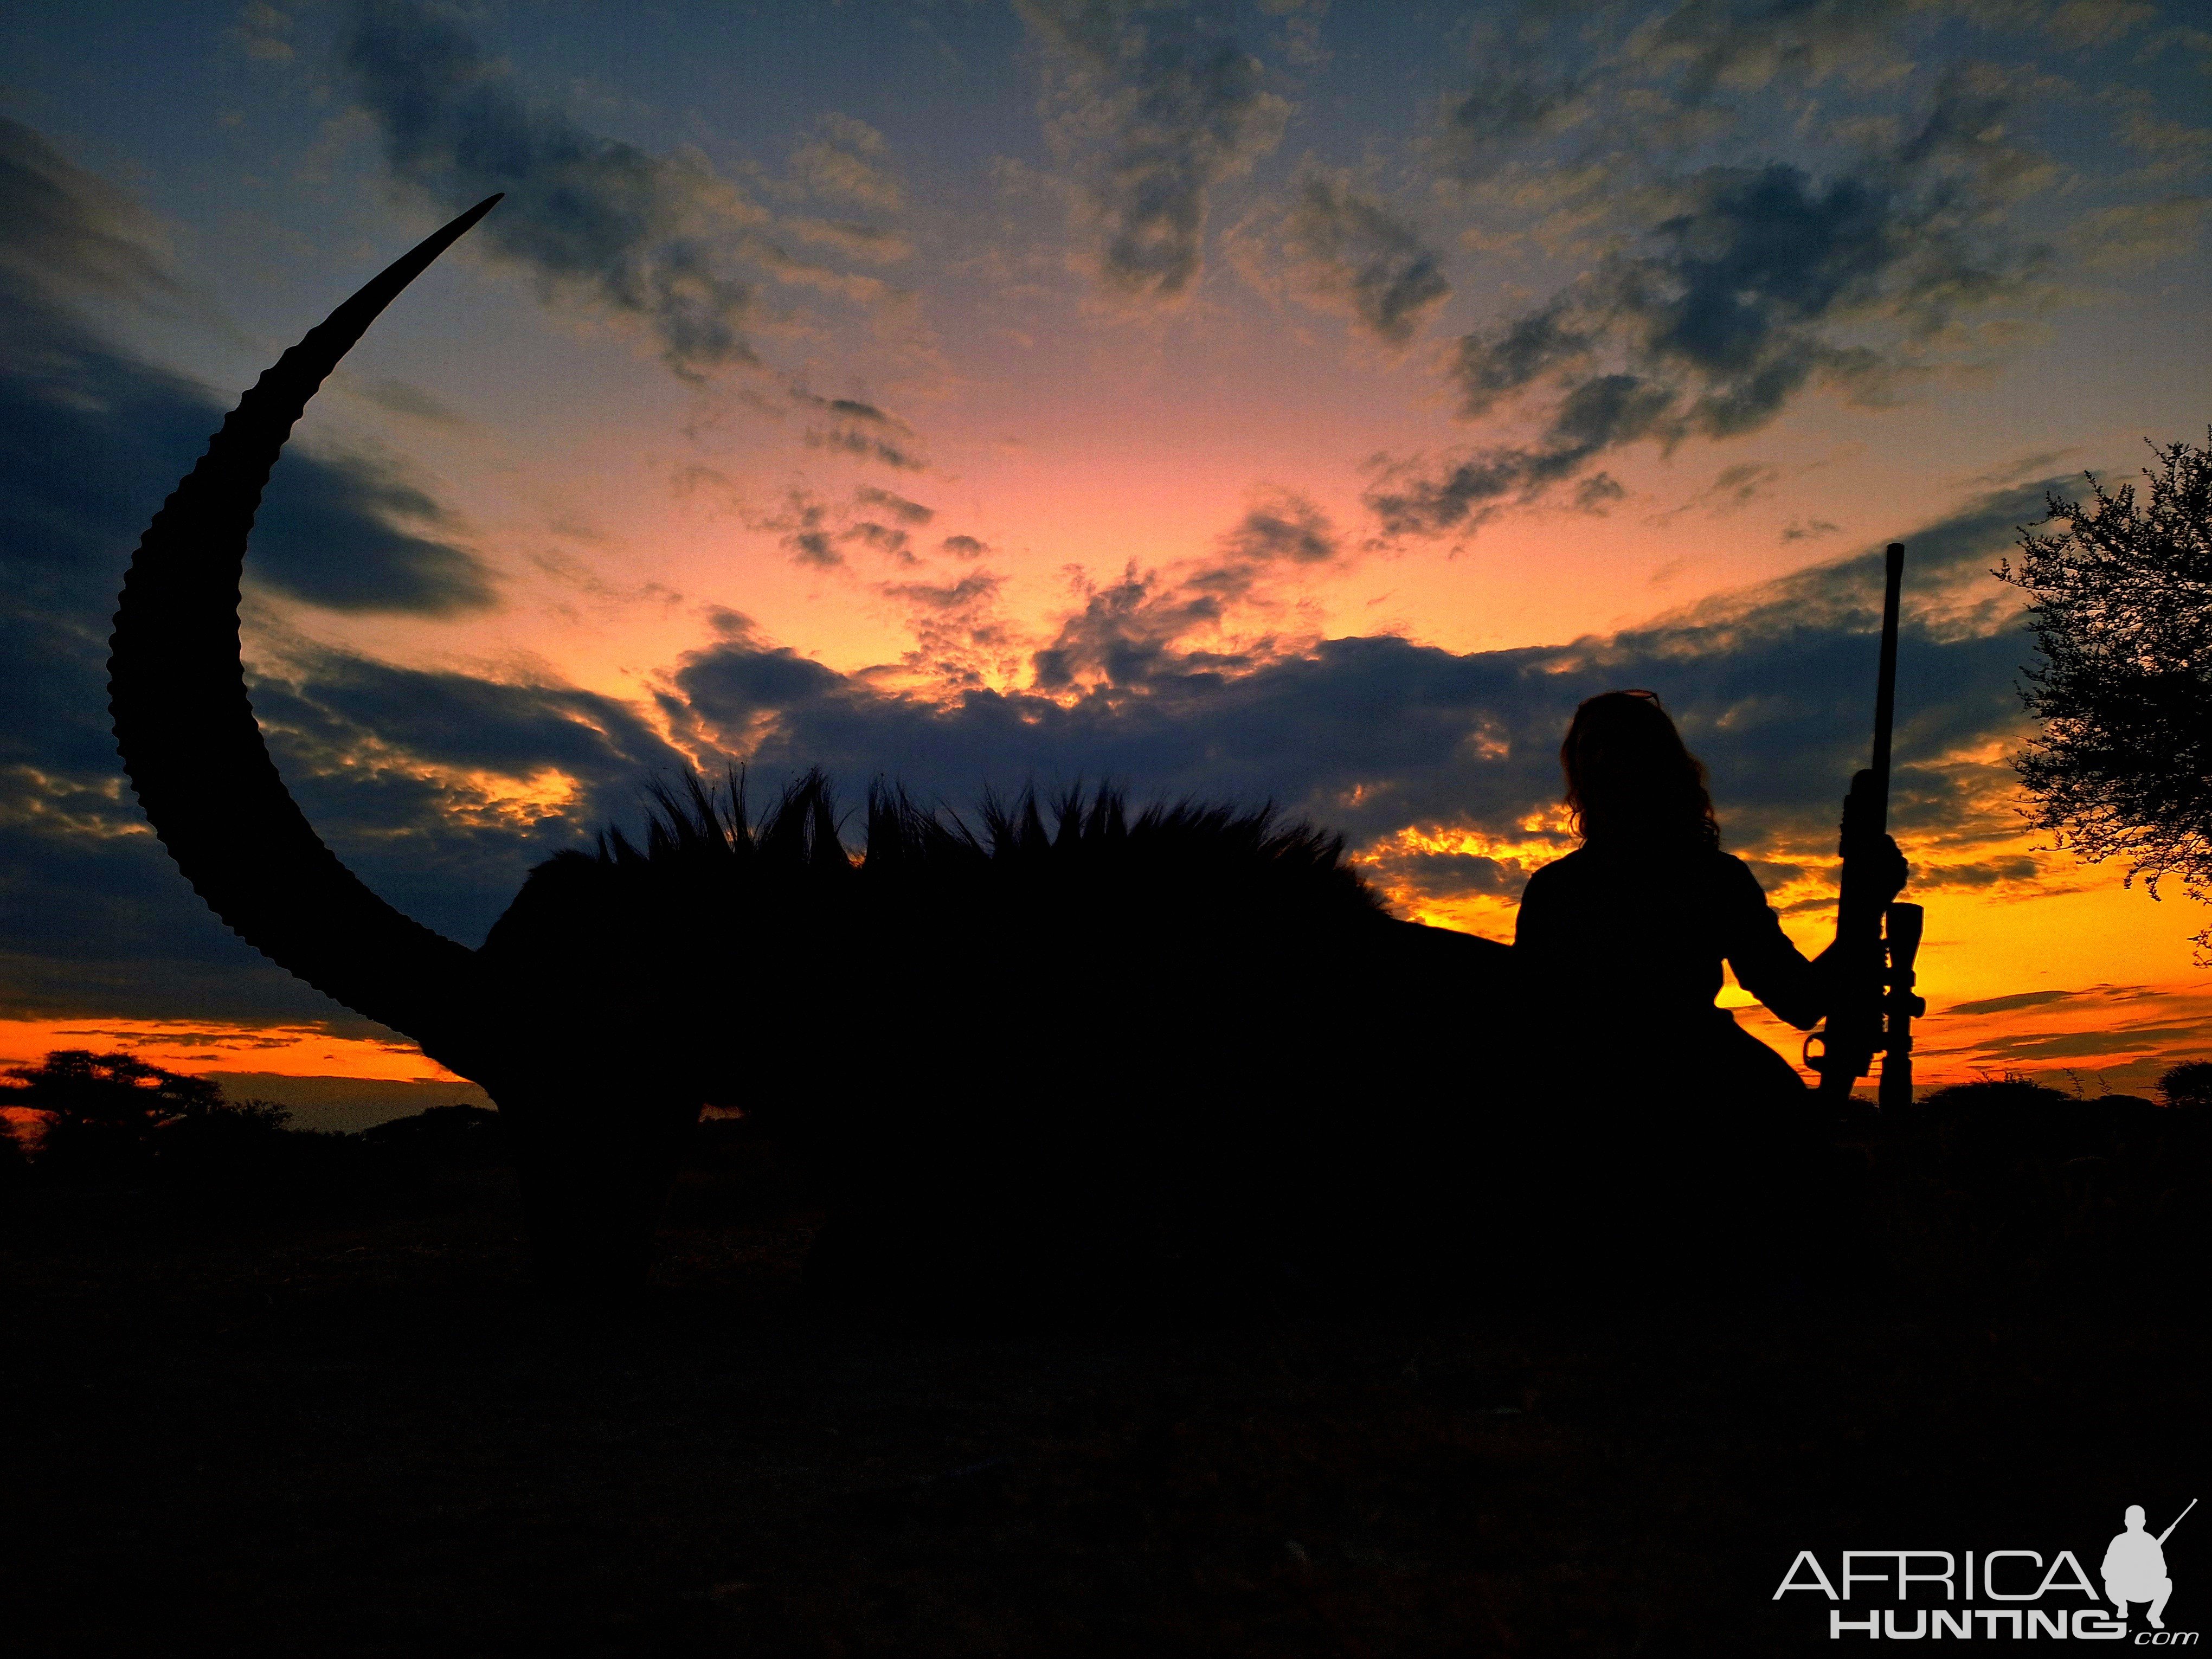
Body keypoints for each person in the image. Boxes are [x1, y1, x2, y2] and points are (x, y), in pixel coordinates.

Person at [1514, 689, 1907, 1108]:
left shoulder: (1714, 879)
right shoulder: (1554, 889)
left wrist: (1865, 911)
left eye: (1622, 742)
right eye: (1590, 745)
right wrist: (1867, 911)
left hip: (1698, 1092)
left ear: (1655, 761)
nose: (1604, 757)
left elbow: (1798, 999)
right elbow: (1526, 1022)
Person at [2103, 1504, 2175, 1629]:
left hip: (2145, 1589)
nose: (2134, 1523)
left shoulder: (2151, 1541)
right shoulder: (2118, 1541)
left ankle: (2154, 1615)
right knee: (2109, 1583)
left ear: (2143, 1522)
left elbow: (2163, 1571)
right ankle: (2122, 1606)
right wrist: (2125, 1572)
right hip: (2123, 1589)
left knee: (2167, 1583)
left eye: (2137, 1520)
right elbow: (2105, 1571)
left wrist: (2147, 1571)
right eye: (2132, 1520)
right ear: (2126, 1522)